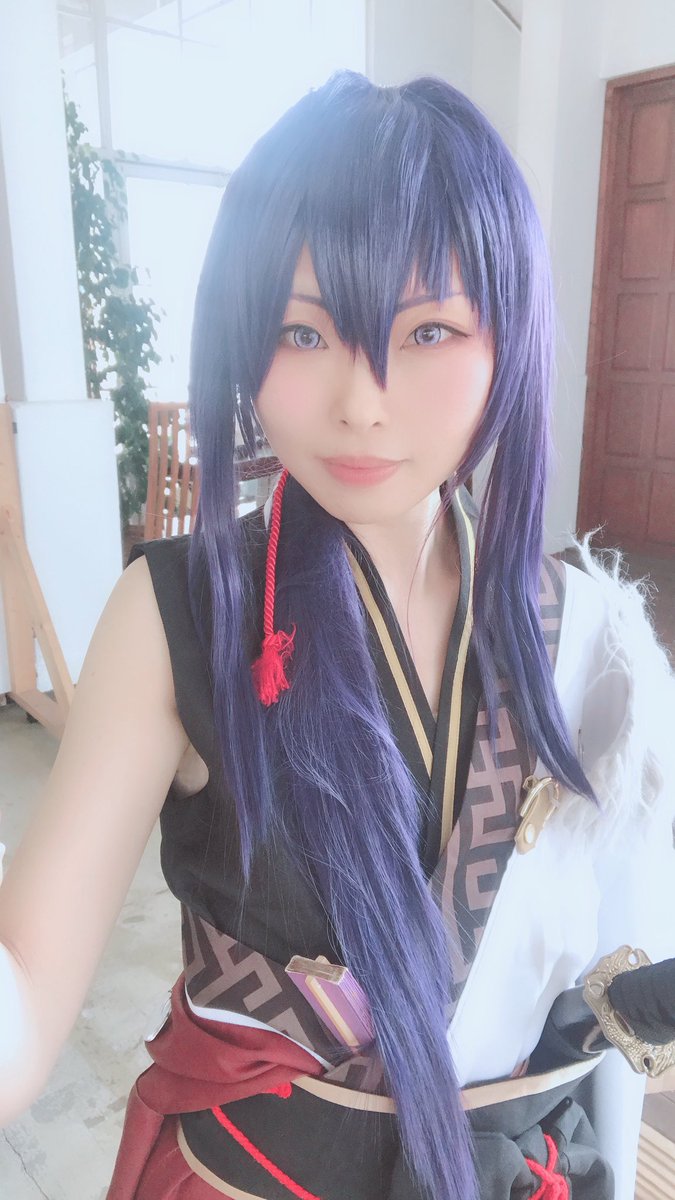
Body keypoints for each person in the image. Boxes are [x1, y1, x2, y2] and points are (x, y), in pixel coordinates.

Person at [1, 70, 674, 1200]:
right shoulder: (178, 614)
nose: (361, 402)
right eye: (302, 330)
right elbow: (25, 975)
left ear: (508, 338)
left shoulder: (598, 638)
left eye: (429, 329)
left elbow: (617, 988)